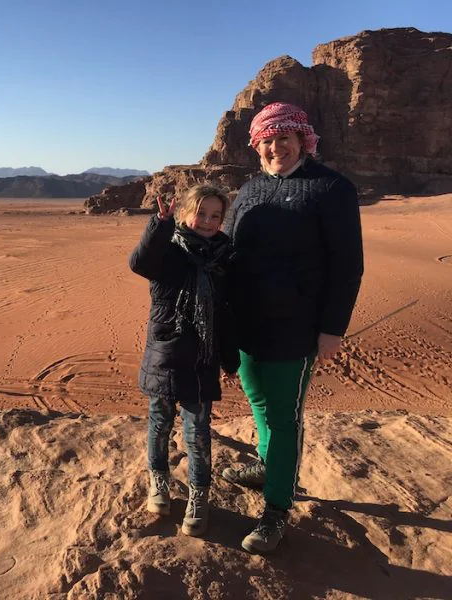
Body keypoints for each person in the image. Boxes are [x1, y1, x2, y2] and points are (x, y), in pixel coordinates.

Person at [221, 102, 364, 553]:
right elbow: (228, 252)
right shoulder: (250, 190)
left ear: (303, 139)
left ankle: (276, 510)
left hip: (296, 327)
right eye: (266, 139)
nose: (275, 146)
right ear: (256, 145)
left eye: (284, 137)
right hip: (247, 323)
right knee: (258, 400)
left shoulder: (331, 188)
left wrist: (332, 329)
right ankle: (267, 465)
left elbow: (348, 265)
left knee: (283, 417)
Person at [129, 184, 240, 537]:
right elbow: (140, 262)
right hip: (165, 353)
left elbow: (226, 314)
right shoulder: (169, 252)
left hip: (202, 361)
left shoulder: (224, 259)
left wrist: (231, 360)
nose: (207, 221)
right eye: (201, 213)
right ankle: (158, 482)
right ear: (186, 213)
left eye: (215, 215)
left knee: (198, 434)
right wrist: (160, 224)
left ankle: (197, 496)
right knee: (159, 424)